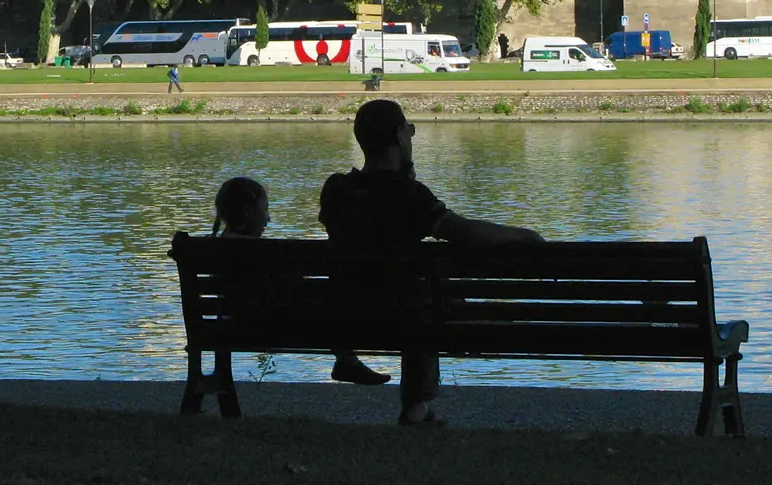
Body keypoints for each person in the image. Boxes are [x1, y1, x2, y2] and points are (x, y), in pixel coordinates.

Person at [320, 99, 541, 425]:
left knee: (416, 299)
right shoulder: (409, 196)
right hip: (402, 312)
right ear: (398, 136)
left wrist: (403, 179)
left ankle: (348, 359)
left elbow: (368, 214)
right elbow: (459, 230)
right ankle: (415, 407)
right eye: (409, 131)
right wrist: (523, 236)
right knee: (424, 304)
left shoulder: (336, 190)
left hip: (344, 312)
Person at [211, 176, 391, 387]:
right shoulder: (265, 253)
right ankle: (347, 361)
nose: (268, 218)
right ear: (249, 211)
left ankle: (347, 361)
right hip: (277, 327)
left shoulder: (209, 249)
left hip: (229, 328)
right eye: (265, 209)